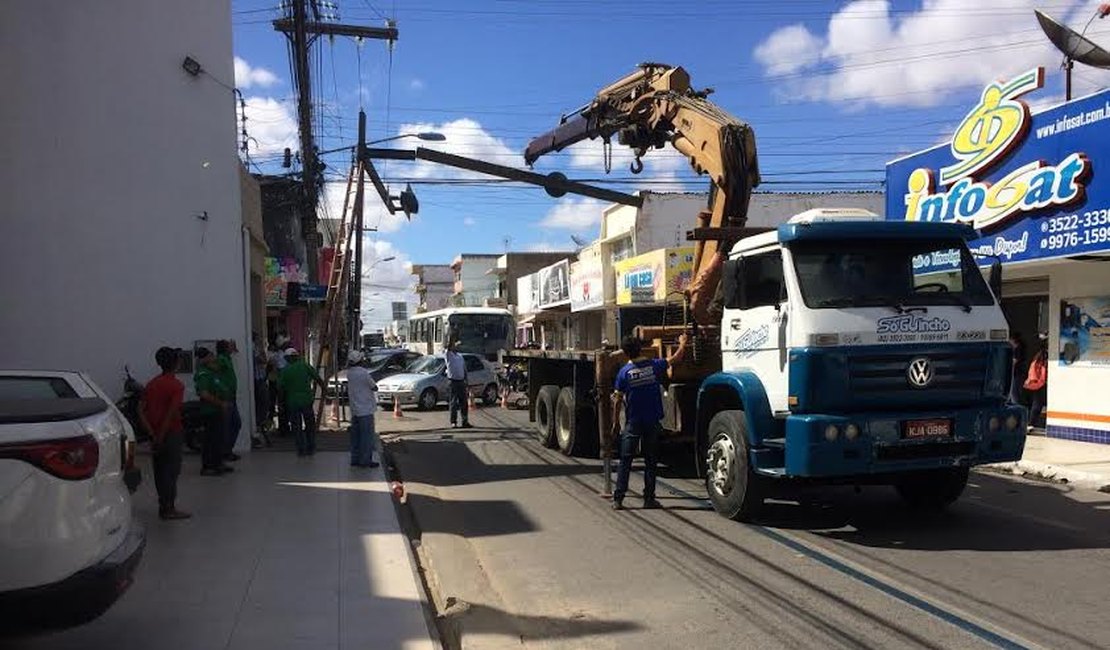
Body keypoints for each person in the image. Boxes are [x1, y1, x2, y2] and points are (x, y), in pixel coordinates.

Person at [610, 333, 688, 511]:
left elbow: (617, 401)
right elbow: (675, 359)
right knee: (650, 461)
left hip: (633, 422)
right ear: (641, 349)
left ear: (625, 353)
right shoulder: (654, 366)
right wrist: (683, 343)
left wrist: (615, 423)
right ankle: (649, 499)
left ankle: (618, 499)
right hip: (652, 421)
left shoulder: (624, 373)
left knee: (626, 461)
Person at [139, 347, 191, 520]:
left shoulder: (152, 384)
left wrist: (152, 434)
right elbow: (171, 413)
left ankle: (164, 505)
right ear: (176, 363)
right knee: (171, 471)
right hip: (171, 433)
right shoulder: (176, 386)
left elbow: (140, 410)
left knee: (160, 471)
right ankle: (169, 508)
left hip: (154, 433)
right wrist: (161, 436)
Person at [194, 347, 234, 476]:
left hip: (217, 410)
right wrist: (221, 403)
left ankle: (218, 463)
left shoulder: (212, 371)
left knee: (218, 438)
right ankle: (208, 466)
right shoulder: (203, 374)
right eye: (210, 356)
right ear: (204, 358)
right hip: (210, 411)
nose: (213, 358)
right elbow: (204, 394)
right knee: (210, 439)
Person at [279, 347, 325, 456]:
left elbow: (281, 389)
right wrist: (324, 389)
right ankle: (311, 447)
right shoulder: (305, 366)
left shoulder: (285, 371)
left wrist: (280, 403)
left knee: (297, 426)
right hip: (306, 401)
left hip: (293, 402)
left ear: (288, 358)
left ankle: (301, 449)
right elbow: (317, 378)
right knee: (310, 425)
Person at [345, 350, 380, 468]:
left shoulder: (349, 373)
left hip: (354, 410)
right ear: (360, 361)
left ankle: (355, 459)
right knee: (366, 437)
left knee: (355, 437)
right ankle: (365, 460)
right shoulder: (364, 373)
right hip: (365, 410)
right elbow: (374, 387)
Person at [216, 339, 242, 461]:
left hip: (231, 397)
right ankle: (224, 451)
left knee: (234, 424)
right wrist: (223, 389)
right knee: (229, 425)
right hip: (226, 398)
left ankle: (227, 450)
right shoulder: (221, 359)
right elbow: (216, 374)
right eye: (229, 346)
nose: (231, 348)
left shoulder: (226, 358)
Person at [445, 339, 472, 429]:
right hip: (453, 381)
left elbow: (464, 369)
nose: (457, 347)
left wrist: (466, 380)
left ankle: (465, 421)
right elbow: (448, 347)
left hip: (461, 381)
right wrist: (451, 336)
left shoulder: (460, 356)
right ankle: (453, 422)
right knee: (453, 402)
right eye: (456, 345)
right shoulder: (449, 355)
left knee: (464, 402)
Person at [252, 334, 272, 449]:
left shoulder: (255, 348)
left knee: (262, 405)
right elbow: (263, 360)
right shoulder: (254, 348)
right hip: (258, 381)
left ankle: (261, 426)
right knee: (263, 404)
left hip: (259, 380)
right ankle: (260, 426)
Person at [1024, 338, 1048, 431]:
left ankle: (1030, 423)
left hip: (1037, 381)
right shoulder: (1043, 355)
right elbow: (1043, 368)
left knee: (1036, 402)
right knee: (1038, 403)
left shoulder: (1039, 354)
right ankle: (1031, 423)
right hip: (1040, 381)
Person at [269, 336, 290, 436]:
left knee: (284, 406)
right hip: (283, 385)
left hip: (282, 384)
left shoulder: (277, 356)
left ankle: (284, 427)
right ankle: (284, 428)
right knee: (283, 406)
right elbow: (281, 370)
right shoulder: (280, 356)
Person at [1009, 332, 1027, 404]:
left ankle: (1015, 405)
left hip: (1017, 373)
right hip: (1019, 372)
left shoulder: (1018, 349)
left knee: (1014, 392)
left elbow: (1014, 361)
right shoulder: (1020, 348)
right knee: (1016, 391)